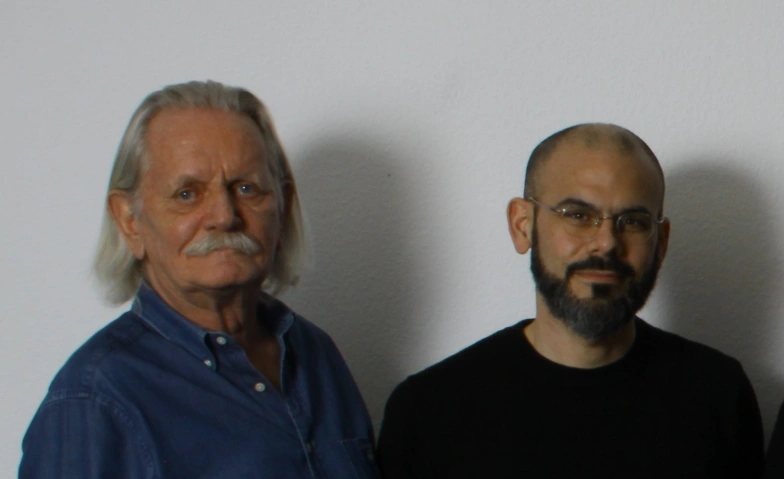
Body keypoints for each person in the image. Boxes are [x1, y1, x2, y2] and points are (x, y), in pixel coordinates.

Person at [20, 80, 379, 478]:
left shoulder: (315, 353)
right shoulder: (93, 400)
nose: (224, 216)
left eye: (247, 188)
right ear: (129, 219)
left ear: (283, 205)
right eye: (187, 194)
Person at [377, 123, 763, 478]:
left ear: (660, 243)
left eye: (632, 221)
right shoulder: (429, 410)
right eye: (577, 215)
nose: (606, 243)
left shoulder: (718, 394)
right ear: (522, 225)